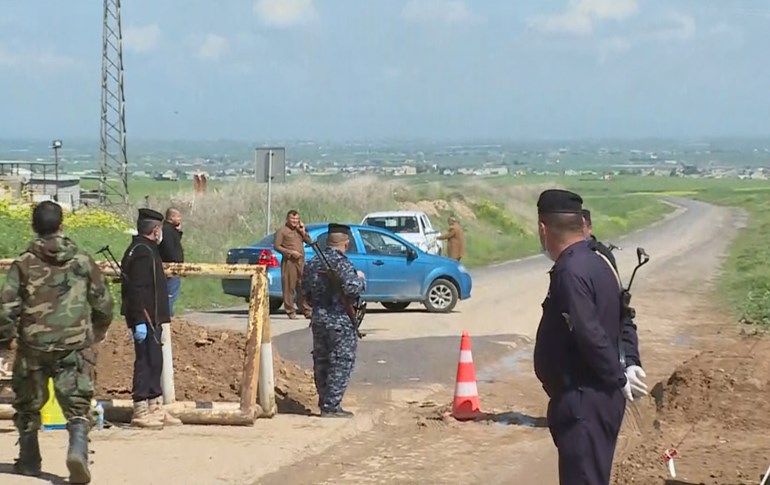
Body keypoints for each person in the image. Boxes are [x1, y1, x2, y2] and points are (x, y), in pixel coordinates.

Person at [532, 189, 647, 485]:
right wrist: (630, 362)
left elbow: (588, 332)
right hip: (598, 400)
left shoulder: (570, 271)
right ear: (581, 223)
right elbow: (625, 317)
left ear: (543, 229)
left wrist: (619, 376)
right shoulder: (600, 260)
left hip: (584, 401)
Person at [0, 200, 114, 483]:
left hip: (33, 346)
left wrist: (4, 343)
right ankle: (77, 450)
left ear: (33, 227)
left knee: (27, 403)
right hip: (74, 344)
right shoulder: (83, 261)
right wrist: (99, 328)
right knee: (77, 404)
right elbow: (103, 301)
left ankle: (29, 459)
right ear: (61, 226)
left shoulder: (23, 264)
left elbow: (6, 308)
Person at [120, 208, 182, 429]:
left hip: (153, 316)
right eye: (159, 229)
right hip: (144, 316)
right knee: (145, 361)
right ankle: (140, 408)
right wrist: (137, 320)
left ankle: (156, 406)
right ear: (155, 230)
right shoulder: (140, 252)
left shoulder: (149, 249)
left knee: (156, 360)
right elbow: (135, 289)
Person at [582, 208, 647, 402]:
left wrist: (629, 362)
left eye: (581, 227)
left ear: (589, 227)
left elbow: (620, 316)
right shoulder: (573, 260)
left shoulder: (599, 257)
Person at [302, 223, 366, 418]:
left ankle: (325, 402)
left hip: (319, 318)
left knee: (322, 360)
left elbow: (305, 291)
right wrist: (360, 278)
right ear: (345, 244)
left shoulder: (313, 263)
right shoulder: (342, 263)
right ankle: (331, 406)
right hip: (339, 319)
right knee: (341, 361)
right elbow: (352, 289)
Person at [274, 209, 313, 319]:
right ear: (287, 219)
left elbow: (310, 241)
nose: (294, 221)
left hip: (301, 262)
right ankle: (290, 311)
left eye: (296, 219)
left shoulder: (299, 230)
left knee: (302, 286)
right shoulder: (282, 231)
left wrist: (303, 231)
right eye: (292, 218)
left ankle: (306, 310)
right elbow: (277, 246)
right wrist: (290, 252)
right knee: (289, 287)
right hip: (289, 262)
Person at [158, 207, 184, 317]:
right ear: (171, 217)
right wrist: (175, 262)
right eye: (178, 216)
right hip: (171, 268)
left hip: (172, 267)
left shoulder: (170, 230)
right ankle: (166, 318)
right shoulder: (167, 230)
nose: (180, 218)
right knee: (170, 296)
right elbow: (169, 249)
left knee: (169, 295)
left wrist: (178, 232)